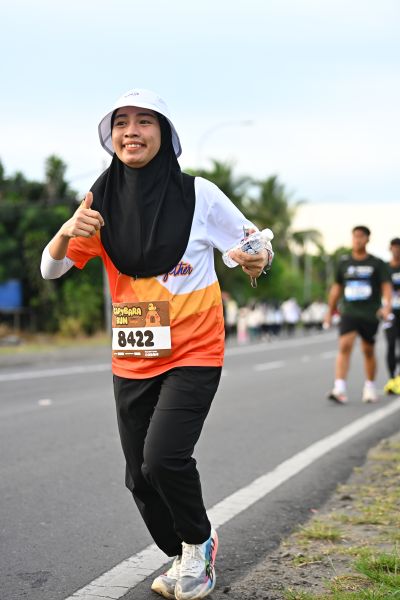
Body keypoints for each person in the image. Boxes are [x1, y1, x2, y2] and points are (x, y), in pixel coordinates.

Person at [40, 88, 273, 600]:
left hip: (194, 351)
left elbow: (254, 242)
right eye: (121, 122)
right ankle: (188, 546)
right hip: (133, 356)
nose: (132, 131)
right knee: (139, 478)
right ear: (111, 137)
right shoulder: (98, 202)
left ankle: (197, 548)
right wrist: (66, 229)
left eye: (145, 121)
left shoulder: (199, 195)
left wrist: (257, 256)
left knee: (164, 457)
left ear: (164, 134)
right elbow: (51, 269)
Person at [324, 226, 392, 404]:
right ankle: (339, 388)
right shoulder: (344, 263)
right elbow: (336, 288)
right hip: (349, 311)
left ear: (367, 239)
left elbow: (386, 286)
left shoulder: (377, 263)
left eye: (361, 237)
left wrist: (387, 307)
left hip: (370, 313)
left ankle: (370, 386)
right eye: (355, 236)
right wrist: (329, 312)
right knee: (345, 345)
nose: (358, 240)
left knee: (367, 350)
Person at [383, 238, 400, 395]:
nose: (397, 250)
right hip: (390, 314)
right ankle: (391, 378)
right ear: (390, 249)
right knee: (390, 345)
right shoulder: (385, 269)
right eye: (394, 247)